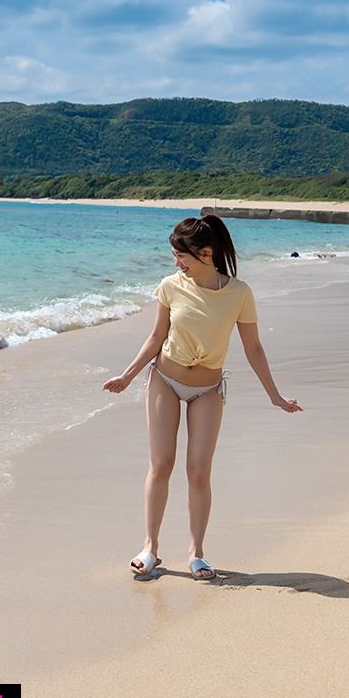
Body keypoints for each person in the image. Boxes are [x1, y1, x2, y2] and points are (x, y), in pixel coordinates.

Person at [101, 214, 302, 581]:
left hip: (208, 389)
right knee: (162, 463)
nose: (177, 263)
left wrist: (274, 395)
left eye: (182, 256)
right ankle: (150, 548)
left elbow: (254, 348)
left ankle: (197, 553)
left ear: (206, 253)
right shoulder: (170, 286)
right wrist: (127, 376)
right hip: (165, 379)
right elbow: (156, 337)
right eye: (175, 256)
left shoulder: (239, 294)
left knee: (198, 470)